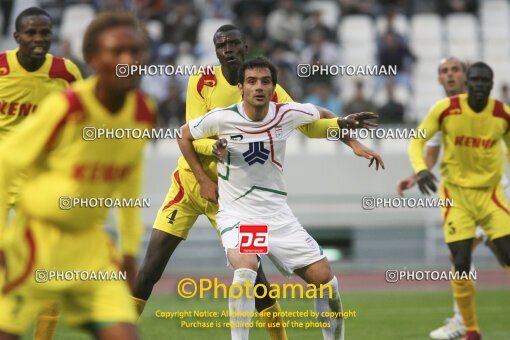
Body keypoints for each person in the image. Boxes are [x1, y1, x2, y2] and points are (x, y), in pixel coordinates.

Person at [132, 24, 380, 340]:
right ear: (217, 51)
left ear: (245, 46)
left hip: (231, 193)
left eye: (234, 43)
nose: (229, 49)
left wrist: (348, 136)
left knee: (254, 275)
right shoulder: (203, 81)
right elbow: (191, 136)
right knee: (152, 266)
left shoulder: (271, 93)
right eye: (222, 45)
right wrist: (219, 149)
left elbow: (310, 121)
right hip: (193, 182)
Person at [0, 11, 155, 340]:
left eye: (135, 52)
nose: (128, 61)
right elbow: (7, 160)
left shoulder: (142, 110)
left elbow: (129, 177)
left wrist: (129, 249)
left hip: (90, 243)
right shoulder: (66, 105)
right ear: (95, 59)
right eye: (117, 52)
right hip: (36, 226)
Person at [398, 57, 506, 340]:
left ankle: (463, 322)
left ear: (466, 77)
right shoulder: (443, 111)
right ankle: (465, 324)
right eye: (444, 71)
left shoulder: (496, 113)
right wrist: (417, 173)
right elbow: (425, 145)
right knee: (459, 255)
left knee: (502, 254)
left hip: (497, 192)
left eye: (455, 70)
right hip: (459, 195)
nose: (449, 75)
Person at [0, 7, 83, 340]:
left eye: (44, 33)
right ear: (17, 36)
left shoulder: (66, 72)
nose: (38, 39)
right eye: (31, 33)